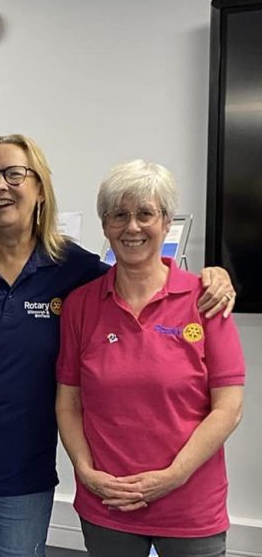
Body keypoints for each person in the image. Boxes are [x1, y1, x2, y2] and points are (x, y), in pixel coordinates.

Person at [0, 135, 235, 557]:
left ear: (39, 190)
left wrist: (215, 275)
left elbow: (139, 269)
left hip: (22, 469)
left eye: (14, 174)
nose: (0, 185)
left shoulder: (76, 270)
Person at [56, 160, 244, 557]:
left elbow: (228, 408)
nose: (132, 227)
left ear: (166, 221)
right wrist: (87, 474)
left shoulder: (205, 299)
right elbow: (69, 403)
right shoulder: (81, 305)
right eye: (119, 215)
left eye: (145, 214)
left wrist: (173, 477)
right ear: (105, 226)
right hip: (109, 504)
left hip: (190, 506)